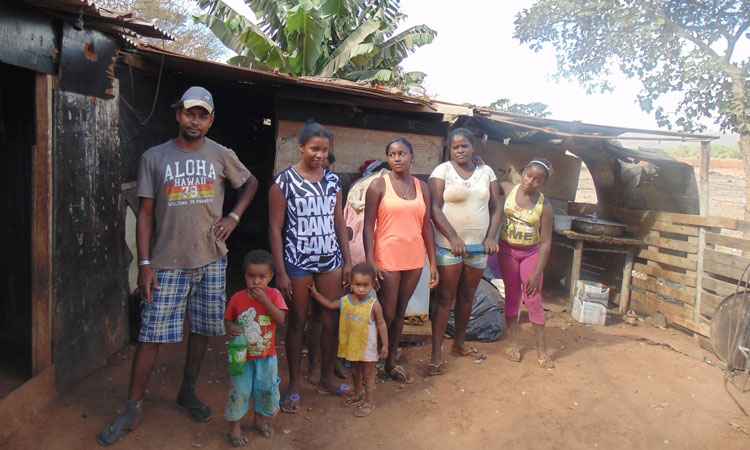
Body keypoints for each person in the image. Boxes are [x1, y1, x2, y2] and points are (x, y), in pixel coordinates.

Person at [98, 86, 258, 446]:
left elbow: (250, 183)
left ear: (210, 120)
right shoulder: (154, 157)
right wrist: (145, 263)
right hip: (166, 262)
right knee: (150, 334)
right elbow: (146, 215)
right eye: (189, 113)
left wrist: (233, 215)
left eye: (202, 115)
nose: (195, 121)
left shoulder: (220, 154)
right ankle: (132, 406)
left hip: (211, 259)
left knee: (202, 329)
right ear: (178, 115)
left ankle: (187, 390)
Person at [268, 121, 352, 413]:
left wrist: (348, 261)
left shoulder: (333, 181)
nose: (319, 154)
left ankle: (326, 376)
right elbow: (275, 228)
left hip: (330, 260)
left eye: (324, 150)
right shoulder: (283, 182)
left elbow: (339, 222)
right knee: (297, 322)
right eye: (314, 148)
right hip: (297, 262)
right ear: (301, 147)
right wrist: (280, 271)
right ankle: (293, 384)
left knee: (330, 319)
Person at [363, 138, 438, 384]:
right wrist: (370, 260)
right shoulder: (378, 185)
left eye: (402, 153)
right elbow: (367, 226)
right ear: (387, 158)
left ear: (411, 156)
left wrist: (433, 263)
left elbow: (426, 226)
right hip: (387, 256)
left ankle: (390, 362)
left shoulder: (422, 187)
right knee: (387, 311)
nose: (397, 158)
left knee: (401, 311)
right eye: (392, 154)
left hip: (414, 258)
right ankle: (372, 359)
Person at [428, 128, 502, 375]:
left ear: (473, 147)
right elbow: (435, 208)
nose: (460, 150)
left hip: (479, 247)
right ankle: (436, 352)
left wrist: (491, 236)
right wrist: (453, 237)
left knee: (467, 297)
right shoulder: (442, 171)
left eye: (464, 146)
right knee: (445, 299)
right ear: (450, 149)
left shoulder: (486, 172)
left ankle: (459, 344)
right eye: (455, 147)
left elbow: (496, 207)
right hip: (450, 247)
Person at [224, 250, 287, 447]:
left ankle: (259, 419)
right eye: (251, 276)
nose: (256, 281)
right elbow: (228, 321)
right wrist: (232, 327)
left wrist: (264, 301)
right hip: (241, 356)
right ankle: (235, 426)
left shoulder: (275, 295)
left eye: (262, 277)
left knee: (266, 389)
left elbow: (281, 319)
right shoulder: (237, 298)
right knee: (240, 391)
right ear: (245, 276)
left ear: (270, 277)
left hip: (267, 356)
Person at [308, 263, 388, 417]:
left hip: (367, 348)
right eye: (358, 285)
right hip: (352, 346)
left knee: (368, 374)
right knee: (355, 371)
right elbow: (331, 305)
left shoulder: (374, 305)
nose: (362, 289)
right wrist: (316, 294)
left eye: (366, 285)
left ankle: (369, 401)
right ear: (350, 284)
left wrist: (385, 344)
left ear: (373, 285)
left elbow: (381, 324)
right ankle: (358, 393)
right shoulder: (345, 301)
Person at [497, 158, 554, 368]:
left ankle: (542, 350)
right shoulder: (508, 189)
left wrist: (538, 272)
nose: (531, 181)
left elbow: (546, 242)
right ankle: (513, 343)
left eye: (537, 180)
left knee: (533, 298)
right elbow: (487, 185)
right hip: (507, 252)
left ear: (543, 183)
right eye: (528, 175)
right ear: (522, 173)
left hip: (531, 254)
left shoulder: (544, 206)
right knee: (512, 296)